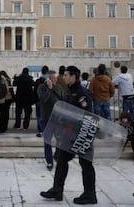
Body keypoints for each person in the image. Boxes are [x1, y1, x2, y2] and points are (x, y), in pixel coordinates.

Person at [40, 65, 97, 204]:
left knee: (86, 164)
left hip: (82, 134)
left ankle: (90, 195)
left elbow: (85, 115)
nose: (63, 77)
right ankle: (57, 190)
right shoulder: (70, 91)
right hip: (69, 134)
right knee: (61, 160)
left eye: (65, 75)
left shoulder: (82, 93)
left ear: (73, 76)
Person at [37, 70, 65, 170]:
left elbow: (62, 99)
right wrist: (49, 89)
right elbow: (43, 100)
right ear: (48, 78)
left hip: (58, 118)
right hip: (46, 118)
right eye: (53, 78)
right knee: (47, 140)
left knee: (60, 139)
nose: (55, 80)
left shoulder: (58, 87)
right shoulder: (41, 87)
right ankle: (49, 161)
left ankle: (56, 155)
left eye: (56, 78)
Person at [33, 65, 49, 137]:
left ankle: (40, 130)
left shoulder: (38, 81)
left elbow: (35, 91)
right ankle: (46, 130)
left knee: (39, 115)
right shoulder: (49, 81)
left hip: (39, 100)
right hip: (47, 101)